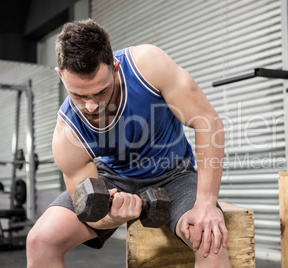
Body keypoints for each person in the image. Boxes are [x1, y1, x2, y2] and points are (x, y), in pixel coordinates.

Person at [26, 19, 230, 268]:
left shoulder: (147, 66)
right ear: (61, 76)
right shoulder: (68, 135)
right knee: (40, 240)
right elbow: (91, 215)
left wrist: (206, 203)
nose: (91, 106)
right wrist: (111, 217)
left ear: (115, 67)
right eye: (79, 95)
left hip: (173, 174)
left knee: (210, 240)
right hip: (112, 181)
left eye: (100, 92)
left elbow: (208, 122)